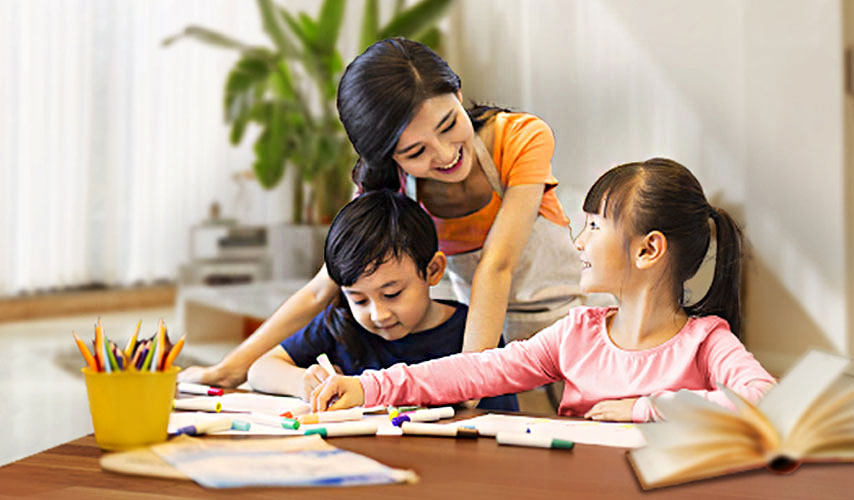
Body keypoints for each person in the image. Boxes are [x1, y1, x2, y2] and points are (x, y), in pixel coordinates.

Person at [180, 37, 582, 389]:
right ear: (388, 156)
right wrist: (229, 369)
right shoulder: (390, 184)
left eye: (448, 125)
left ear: (459, 96)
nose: (444, 154)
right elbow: (324, 287)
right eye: (415, 151)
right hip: (478, 338)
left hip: (561, 333)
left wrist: (467, 385)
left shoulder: (520, 138)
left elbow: (496, 265)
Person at [311, 159, 777, 422]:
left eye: (594, 225)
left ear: (648, 250)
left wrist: (643, 408)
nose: (579, 240)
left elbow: (764, 398)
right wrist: (368, 386)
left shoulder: (705, 342)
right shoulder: (577, 334)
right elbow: (478, 371)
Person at [247, 190, 518, 411]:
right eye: (359, 300)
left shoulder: (472, 336)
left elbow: (499, 419)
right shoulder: (340, 325)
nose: (378, 315)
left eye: (392, 294)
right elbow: (260, 369)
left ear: (433, 270)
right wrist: (302, 383)